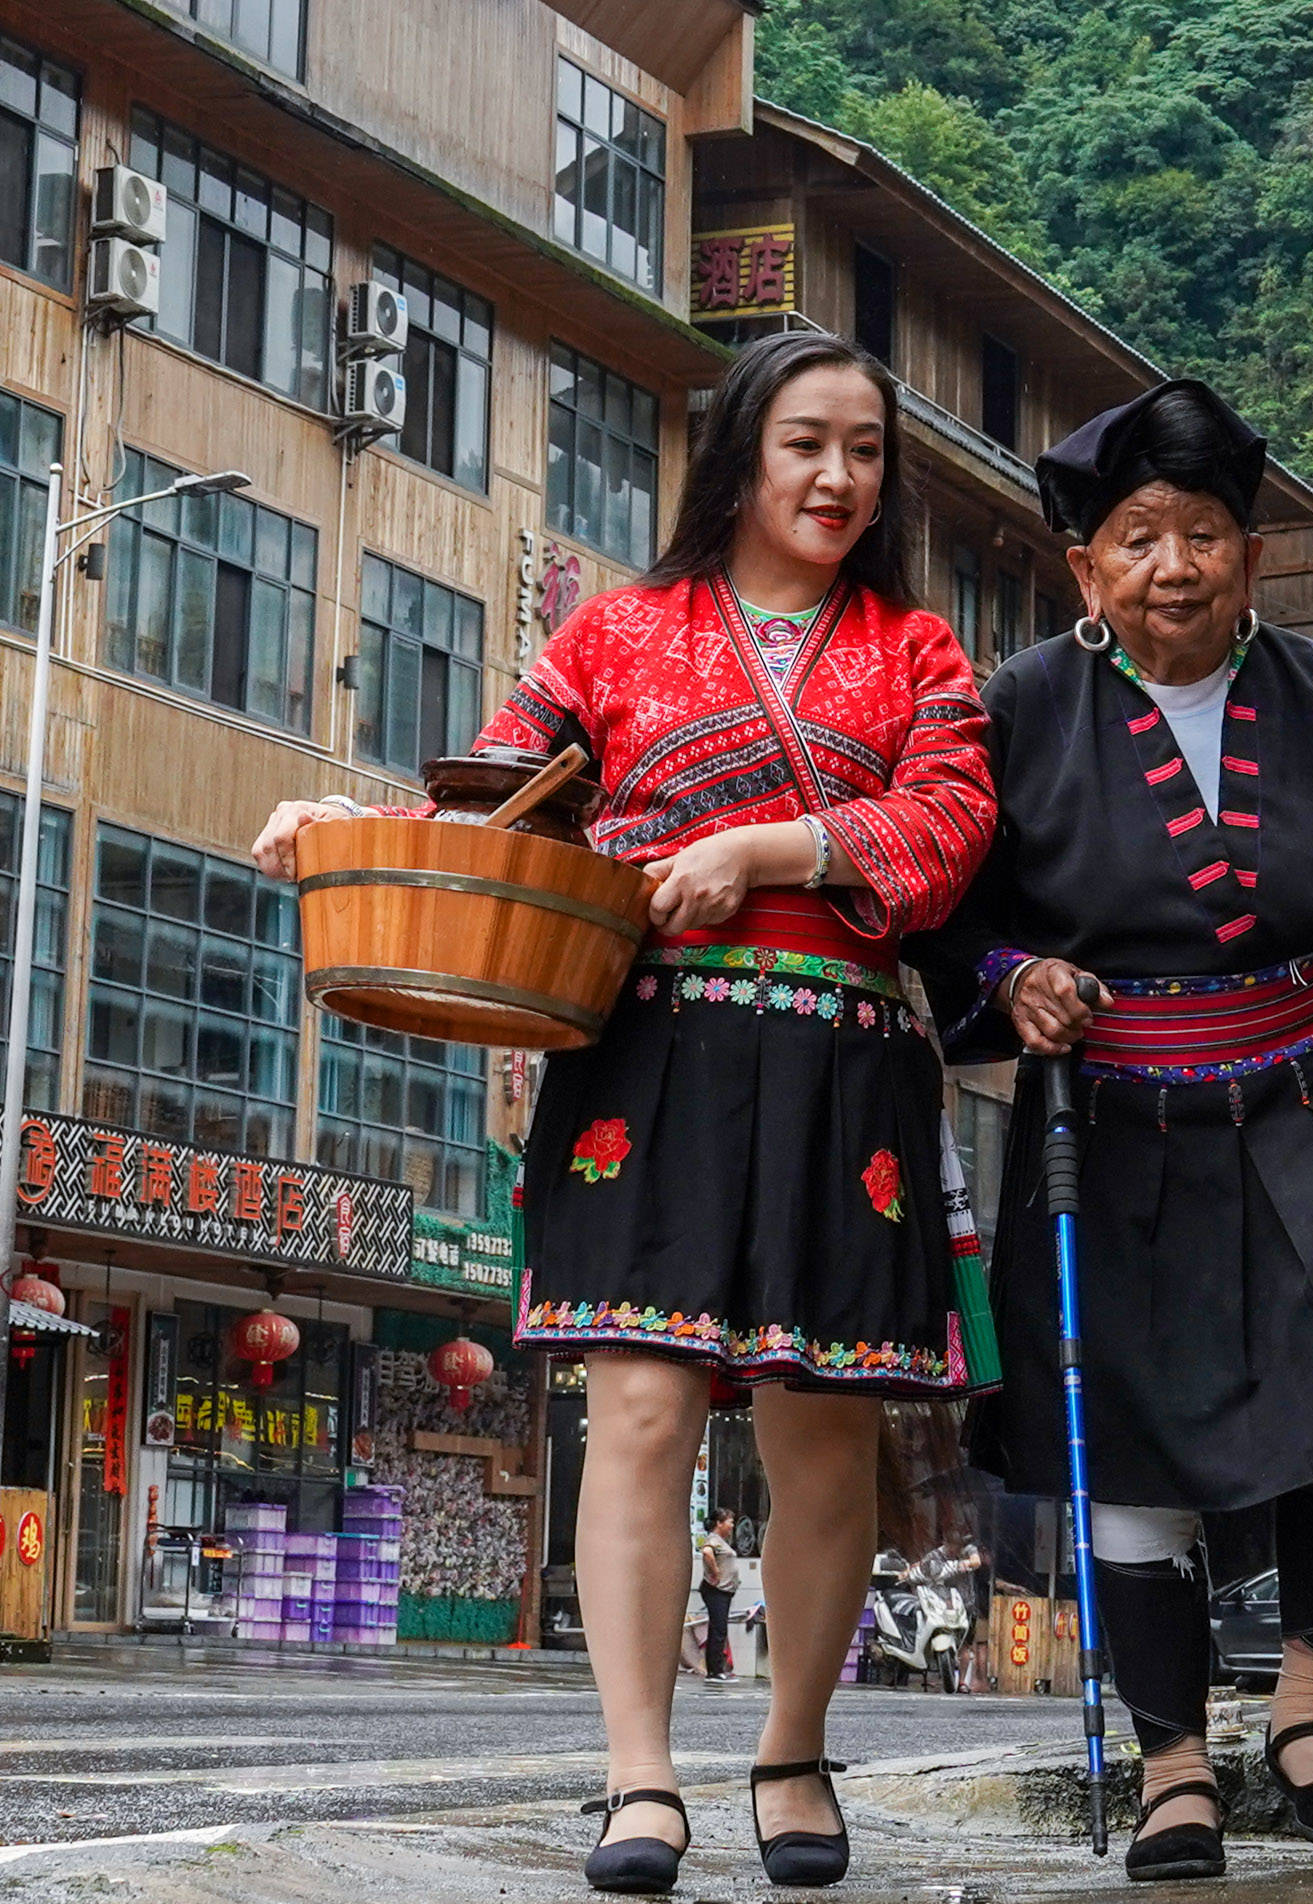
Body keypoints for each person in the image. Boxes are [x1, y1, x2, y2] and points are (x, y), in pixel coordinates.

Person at [255, 331, 998, 1895]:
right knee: (643, 1412)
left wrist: (767, 851)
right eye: (807, 444)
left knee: (822, 1428)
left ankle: (792, 1753)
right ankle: (639, 1775)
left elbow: (946, 831)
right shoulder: (616, 632)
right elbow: (496, 803)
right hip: (647, 1049)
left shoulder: (918, 648)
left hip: (841, 1060)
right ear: (740, 455)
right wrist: (346, 822)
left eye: (866, 452)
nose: (839, 478)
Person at [908, 377, 1313, 1883]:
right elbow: (942, 908)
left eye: (1202, 535)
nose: (1172, 566)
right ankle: (1175, 1759)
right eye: (1138, 538)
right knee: (1132, 1438)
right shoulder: (1014, 712)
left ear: (1250, 554)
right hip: (1109, 1120)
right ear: (1085, 567)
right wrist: (1012, 974)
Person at [699, 1508, 742, 1681]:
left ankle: (715, 1669)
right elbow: (707, 1552)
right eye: (730, 1522)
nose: (732, 1525)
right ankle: (715, 1671)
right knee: (719, 1629)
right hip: (716, 1590)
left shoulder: (721, 1541)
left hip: (723, 1591)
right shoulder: (713, 1539)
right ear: (719, 1523)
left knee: (717, 1628)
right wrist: (715, 1571)